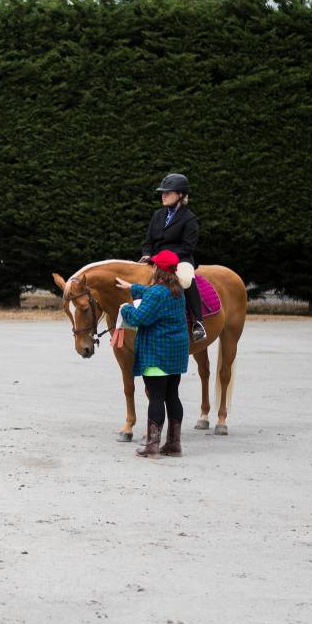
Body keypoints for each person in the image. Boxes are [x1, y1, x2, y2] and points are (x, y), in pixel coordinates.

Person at [115, 250, 190, 458]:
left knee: (156, 397)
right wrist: (132, 288)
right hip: (176, 353)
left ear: (158, 268)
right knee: (172, 395)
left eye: (155, 265)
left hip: (157, 353)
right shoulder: (177, 290)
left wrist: (124, 309)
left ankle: (152, 445)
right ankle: (174, 445)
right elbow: (150, 293)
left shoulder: (157, 293)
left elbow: (140, 318)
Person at [140, 173, 206, 342]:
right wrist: (147, 254)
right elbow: (148, 241)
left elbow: (188, 247)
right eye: (163, 192)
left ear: (181, 195)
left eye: (168, 192)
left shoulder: (189, 218)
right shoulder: (158, 215)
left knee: (185, 279)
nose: (163, 195)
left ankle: (198, 323)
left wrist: (165, 259)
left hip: (180, 259)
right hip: (156, 259)